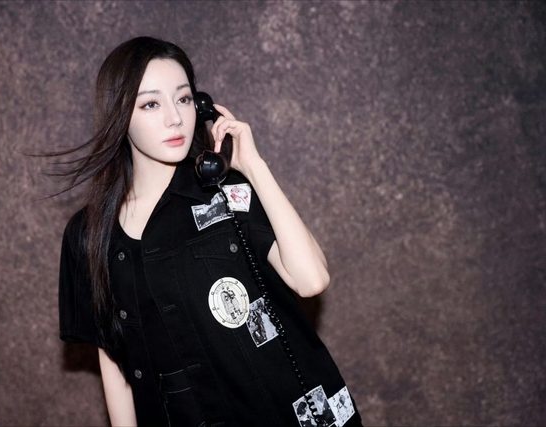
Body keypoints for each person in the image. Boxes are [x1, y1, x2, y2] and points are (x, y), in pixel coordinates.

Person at [58, 36, 362, 427]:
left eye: (183, 99)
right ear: (120, 116)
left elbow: (312, 280)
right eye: (151, 104)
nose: (174, 118)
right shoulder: (88, 234)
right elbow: (115, 359)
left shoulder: (228, 191)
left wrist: (254, 168)